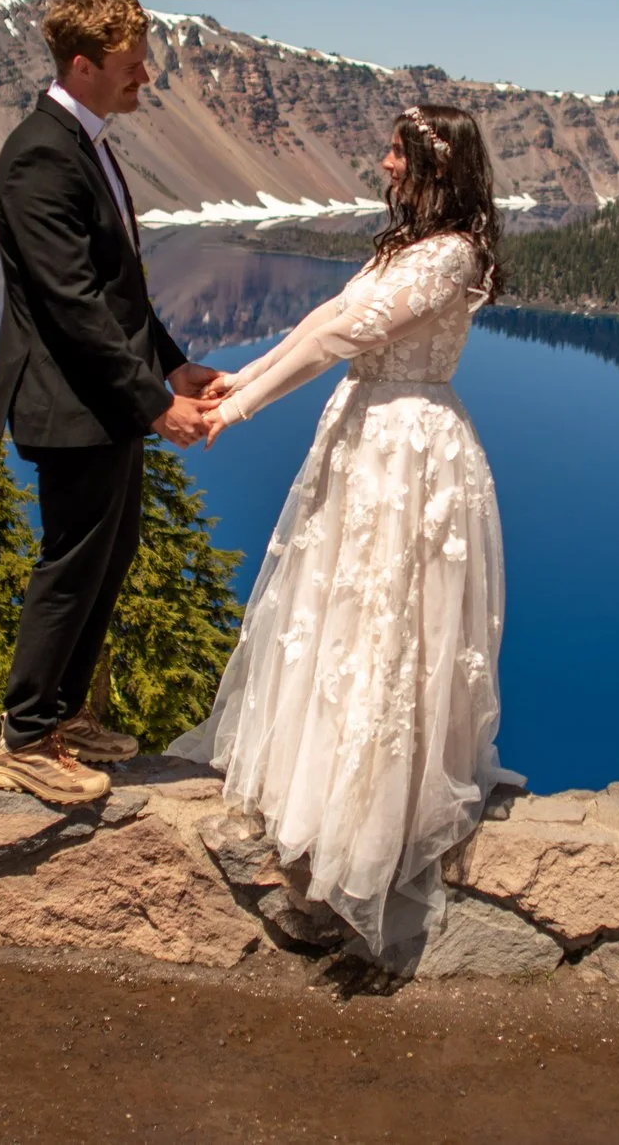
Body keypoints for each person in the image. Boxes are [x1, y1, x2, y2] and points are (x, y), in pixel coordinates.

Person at [173, 103, 518, 958]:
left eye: (400, 151)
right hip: (367, 437)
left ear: (436, 163)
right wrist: (234, 377)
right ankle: (324, 796)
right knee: (343, 613)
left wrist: (242, 408)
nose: (386, 162)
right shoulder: (400, 247)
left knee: (393, 623)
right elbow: (317, 319)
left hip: (408, 448)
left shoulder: (451, 255)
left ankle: (374, 826)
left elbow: (345, 333)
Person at [0, 0, 217, 805]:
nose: (144, 77)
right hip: (67, 399)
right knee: (73, 561)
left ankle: (61, 719)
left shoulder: (84, 140)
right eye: (130, 66)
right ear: (82, 66)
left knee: (108, 554)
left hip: (100, 398)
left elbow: (118, 288)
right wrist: (156, 404)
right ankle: (23, 736)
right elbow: (70, 302)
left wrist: (173, 364)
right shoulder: (40, 154)